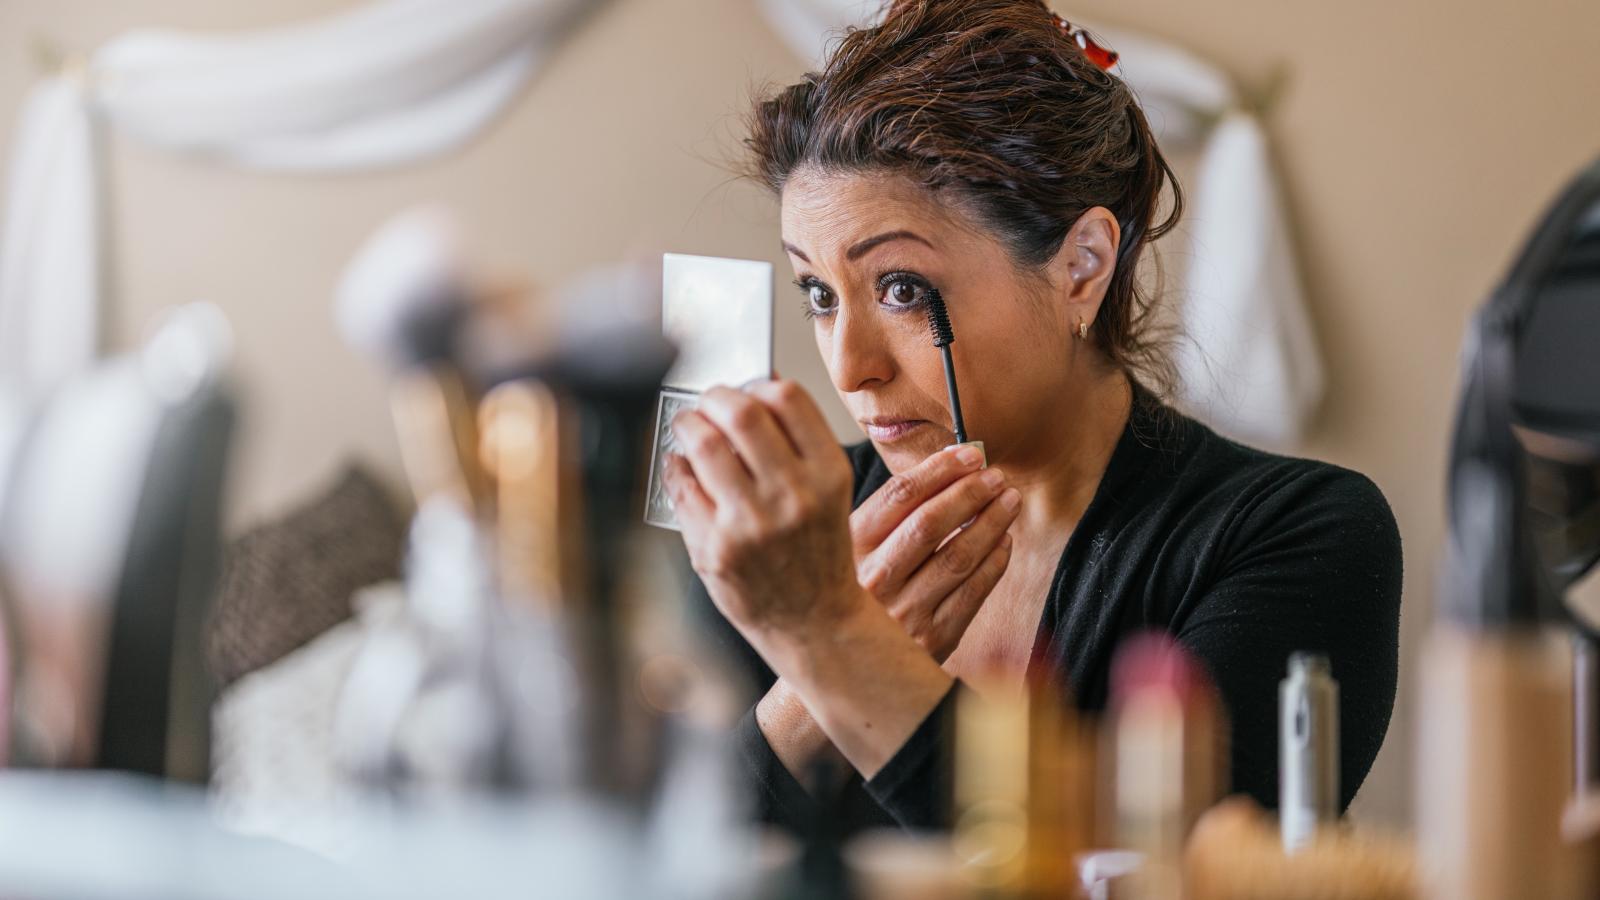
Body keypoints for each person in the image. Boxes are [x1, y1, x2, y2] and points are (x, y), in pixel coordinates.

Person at [661, 0, 1401, 832]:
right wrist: (810, 666)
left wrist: (836, 642)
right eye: (820, 295)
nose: (849, 367)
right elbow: (674, 857)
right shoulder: (785, 540)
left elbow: (1163, 865)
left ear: (1081, 267)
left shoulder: (1297, 533)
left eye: (901, 289)